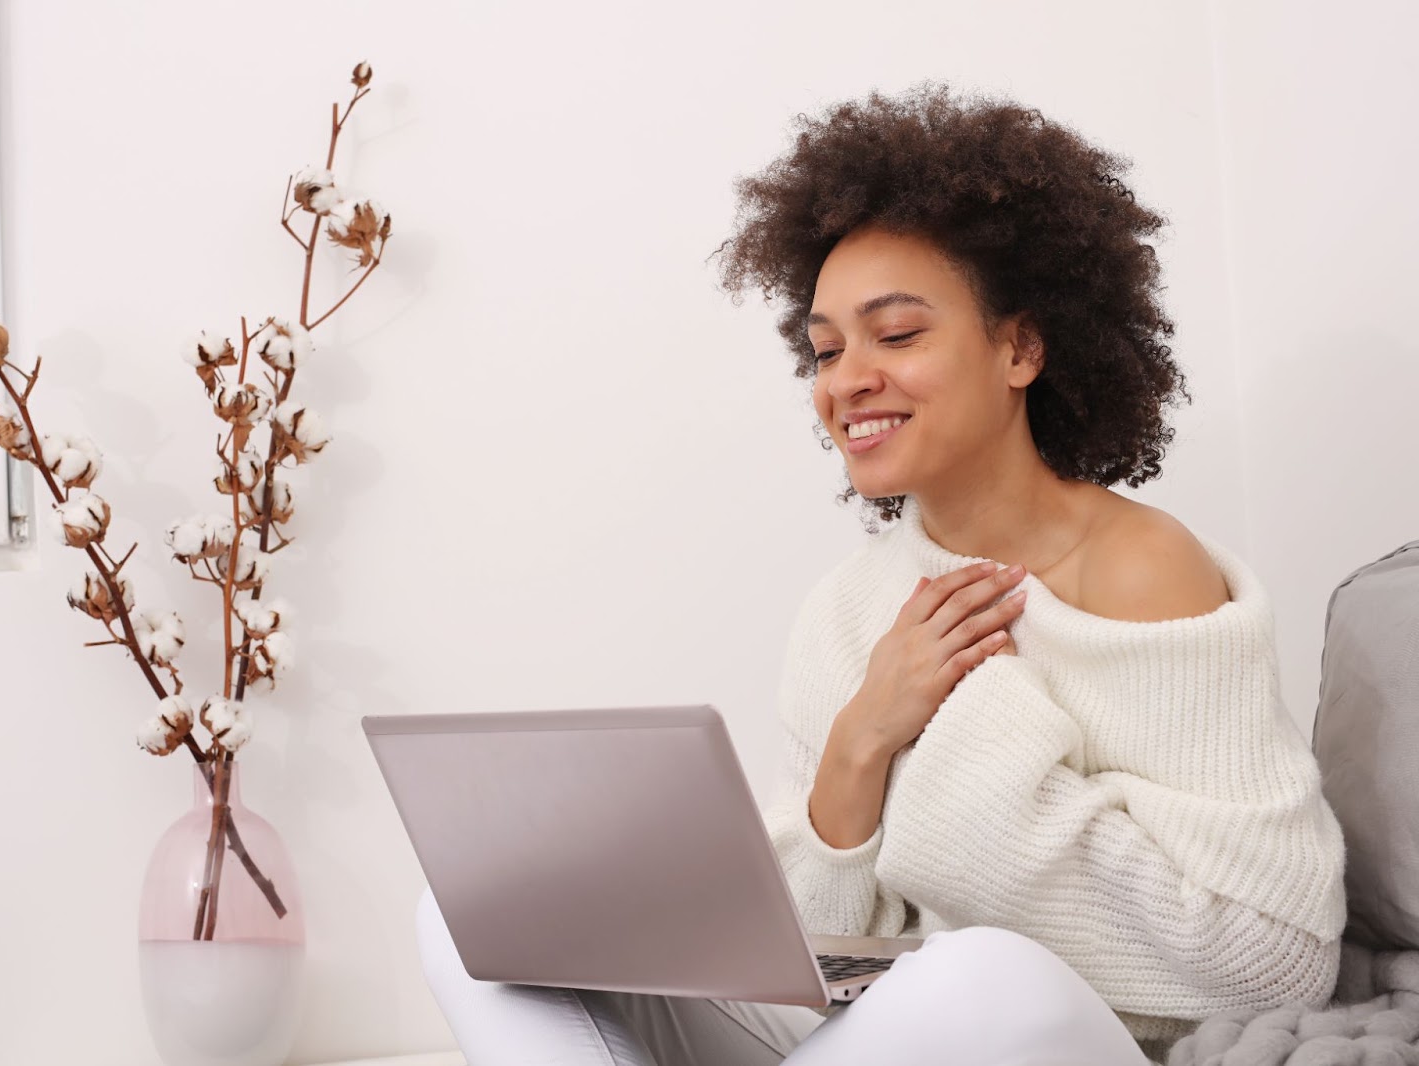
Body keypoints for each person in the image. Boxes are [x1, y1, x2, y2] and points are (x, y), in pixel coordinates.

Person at [415, 79, 1347, 1066]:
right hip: (871, 1036)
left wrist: (961, 722)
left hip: (1058, 1033)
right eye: (825, 349)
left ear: (1020, 346)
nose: (846, 379)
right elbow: (819, 958)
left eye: (896, 335)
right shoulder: (849, 613)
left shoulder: (1144, 569)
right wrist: (859, 743)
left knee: (978, 971)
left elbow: (1274, 961)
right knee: (476, 910)